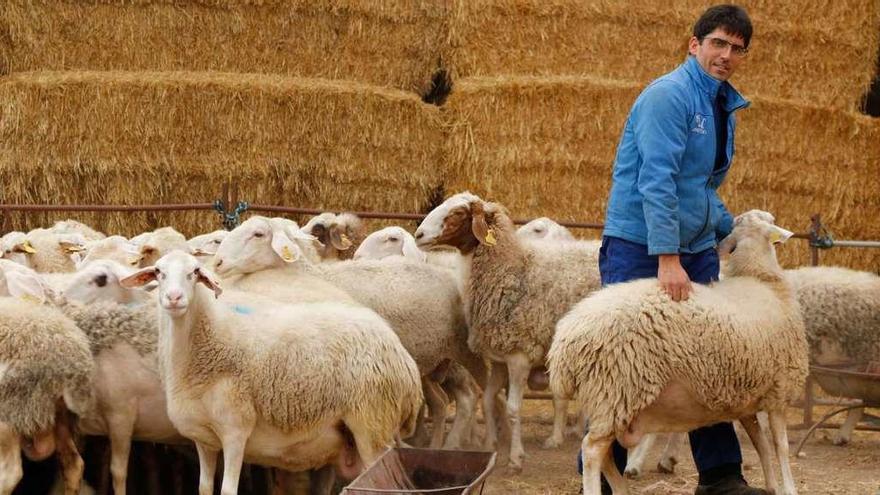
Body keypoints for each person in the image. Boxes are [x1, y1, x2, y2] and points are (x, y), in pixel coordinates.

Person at [578, 5, 765, 495]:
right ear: (694, 44)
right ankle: (598, 471)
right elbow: (656, 181)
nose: (726, 55)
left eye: (736, 48)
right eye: (718, 44)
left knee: (707, 358)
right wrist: (667, 258)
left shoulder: (722, 104)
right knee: (626, 359)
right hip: (642, 246)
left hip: (696, 248)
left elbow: (698, 185)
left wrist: (732, 226)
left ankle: (721, 474)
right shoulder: (668, 97)